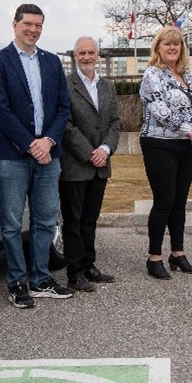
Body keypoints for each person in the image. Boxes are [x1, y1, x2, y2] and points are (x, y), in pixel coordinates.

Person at [0, 4, 74, 309]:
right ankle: (17, 282)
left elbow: (63, 108)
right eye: (28, 24)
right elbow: (0, 110)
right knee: (11, 222)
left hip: (49, 154)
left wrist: (48, 141)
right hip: (12, 154)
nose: (34, 30)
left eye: (38, 25)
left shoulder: (52, 62)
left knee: (46, 220)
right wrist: (30, 144)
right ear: (15, 24)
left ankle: (40, 278)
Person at [139, 26, 192, 280]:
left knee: (180, 202)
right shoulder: (152, 76)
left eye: (176, 44)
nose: (172, 48)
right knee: (164, 200)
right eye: (167, 44)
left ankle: (177, 253)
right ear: (158, 48)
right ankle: (154, 257)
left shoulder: (187, 75)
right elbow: (161, 110)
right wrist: (190, 129)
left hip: (185, 145)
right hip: (159, 144)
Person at [60, 36, 121, 292]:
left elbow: (115, 123)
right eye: (81, 53)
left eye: (91, 52)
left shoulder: (107, 86)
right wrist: (89, 153)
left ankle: (89, 265)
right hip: (75, 165)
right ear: (75, 56)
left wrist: (105, 149)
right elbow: (65, 124)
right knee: (73, 220)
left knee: (90, 219)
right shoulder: (65, 86)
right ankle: (74, 272)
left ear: (98, 55)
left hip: (100, 165)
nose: (86, 57)